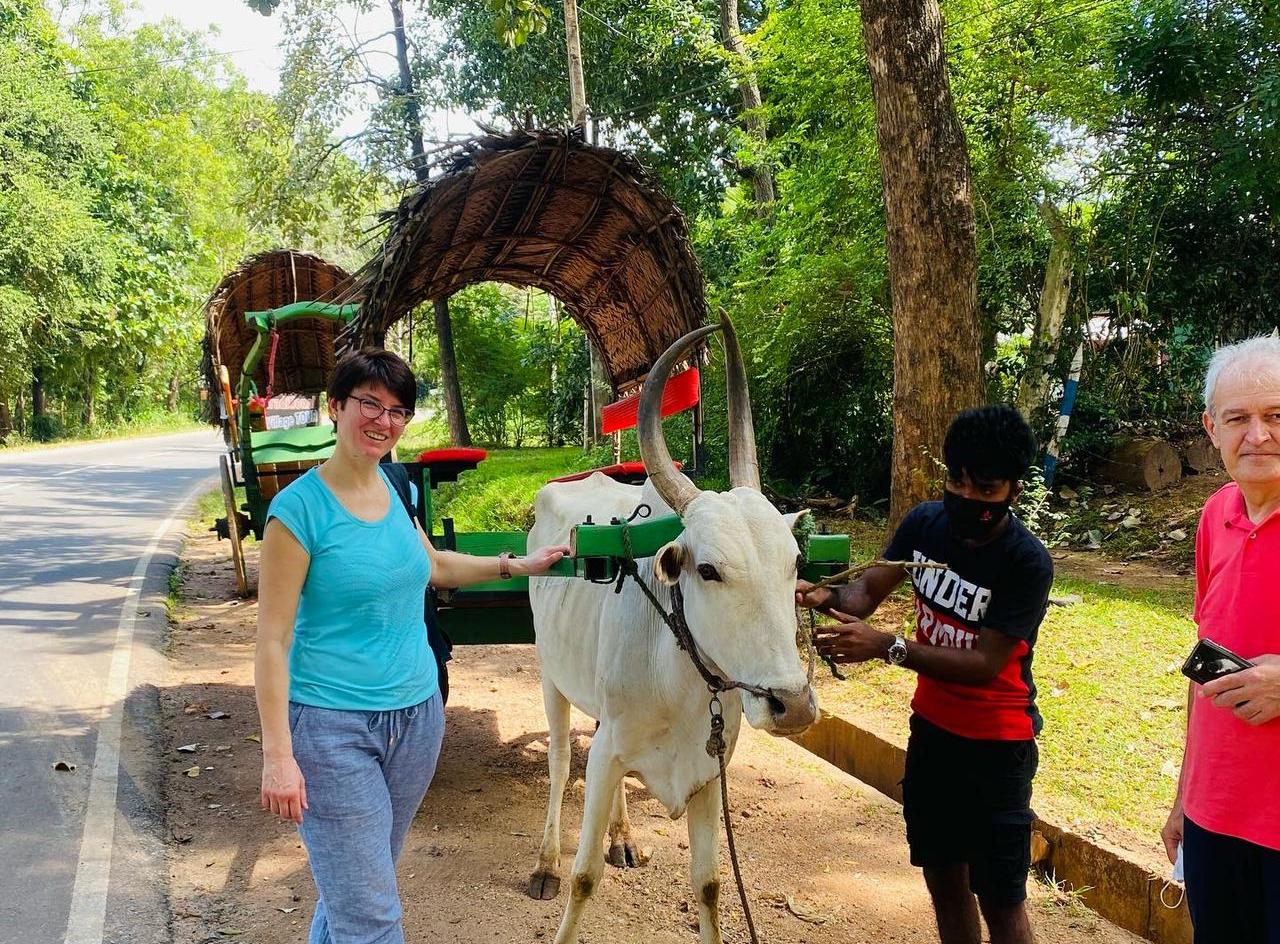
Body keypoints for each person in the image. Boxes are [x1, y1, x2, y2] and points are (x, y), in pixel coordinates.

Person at [255, 348, 569, 944]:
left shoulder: (394, 489)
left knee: (355, 889)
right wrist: (278, 755)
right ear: (335, 407)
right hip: (331, 730)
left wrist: (518, 564)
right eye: (369, 404)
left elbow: (435, 566)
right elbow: (272, 641)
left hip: (417, 720)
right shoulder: (296, 513)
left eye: (397, 411)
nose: (383, 421)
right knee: (371, 917)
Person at [798, 405, 1052, 944]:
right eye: (957, 482)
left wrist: (889, 647)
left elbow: (985, 664)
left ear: (1011, 489)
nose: (968, 499)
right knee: (944, 883)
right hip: (933, 738)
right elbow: (864, 594)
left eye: (985, 490)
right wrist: (818, 595)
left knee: (1002, 903)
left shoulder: (1026, 562)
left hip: (997, 750)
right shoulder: (925, 525)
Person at [1161, 335, 1280, 943]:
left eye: (1276, 416)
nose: (1257, 436)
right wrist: (1187, 795)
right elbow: (1204, 663)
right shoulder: (1216, 515)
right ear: (1211, 428)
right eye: (1239, 418)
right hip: (1215, 818)